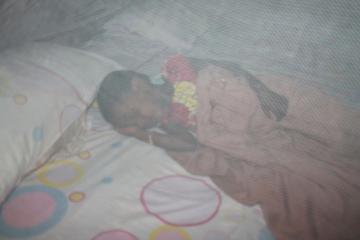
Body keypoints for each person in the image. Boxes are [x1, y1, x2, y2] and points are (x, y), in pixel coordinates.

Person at [97, 55, 288, 152]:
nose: (140, 122)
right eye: (135, 124)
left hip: (255, 97)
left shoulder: (177, 71)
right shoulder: (170, 119)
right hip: (247, 129)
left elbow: (227, 66)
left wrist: (262, 91)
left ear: (138, 86)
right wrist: (140, 135)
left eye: (132, 115)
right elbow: (188, 144)